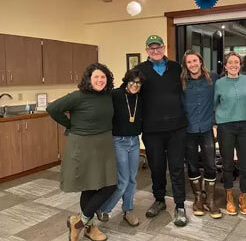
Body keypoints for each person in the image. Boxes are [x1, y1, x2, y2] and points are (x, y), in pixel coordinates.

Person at [47, 63, 117, 241]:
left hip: (104, 144)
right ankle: (89, 227)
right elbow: (53, 108)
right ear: (88, 79)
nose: (100, 80)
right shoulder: (78, 96)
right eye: (96, 77)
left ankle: (78, 221)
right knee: (89, 186)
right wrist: (70, 125)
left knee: (109, 185)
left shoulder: (108, 96)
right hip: (84, 145)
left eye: (103, 77)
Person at [135, 35, 188, 227]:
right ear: (147, 50)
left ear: (164, 48)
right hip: (151, 129)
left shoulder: (176, 68)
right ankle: (159, 200)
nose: (155, 51)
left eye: (159, 47)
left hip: (177, 128)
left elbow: (193, 82)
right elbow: (130, 92)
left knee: (176, 168)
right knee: (156, 168)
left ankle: (180, 205)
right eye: (152, 48)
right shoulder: (139, 70)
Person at [96, 68, 144, 226]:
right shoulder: (115, 95)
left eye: (138, 83)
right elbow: (99, 107)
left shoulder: (140, 97)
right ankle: (104, 209)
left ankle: (128, 210)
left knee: (132, 180)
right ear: (126, 81)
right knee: (123, 181)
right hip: (119, 141)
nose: (135, 85)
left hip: (135, 141)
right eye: (132, 82)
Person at [181, 50, 222, 219]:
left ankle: (210, 200)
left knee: (210, 164)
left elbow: (226, 89)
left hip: (206, 128)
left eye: (195, 61)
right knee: (192, 165)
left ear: (200, 61)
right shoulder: (181, 81)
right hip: (188, 129)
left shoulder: (212, 78)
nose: (193, 64)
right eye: (189, 62)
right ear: (186, 65)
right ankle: (198, 198)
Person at [214, 52, 246, 216]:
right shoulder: (219, 83)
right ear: (226, 65)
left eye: (236, 62)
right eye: (230, 62)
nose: (234, 65)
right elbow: (214, 103)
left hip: (244, 126)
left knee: (245, 165)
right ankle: (229, 196)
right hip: (225, 127)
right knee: (227, 164)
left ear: (240, 64)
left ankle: (243, 196)